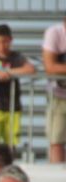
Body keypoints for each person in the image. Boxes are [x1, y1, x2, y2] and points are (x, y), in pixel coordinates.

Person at [0, 24, 35, 147]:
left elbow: (30, 68)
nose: (2, 45)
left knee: (11, 143)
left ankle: (8, 165)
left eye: (5, 41)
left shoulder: (16, 56)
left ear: (10, 40)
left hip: (13, 107)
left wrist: (8, 72)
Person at [42, 16, 66, 162]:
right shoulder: (54, 32)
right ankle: (59, 176)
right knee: (56, 139)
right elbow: (50, 67)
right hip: (58, 95)